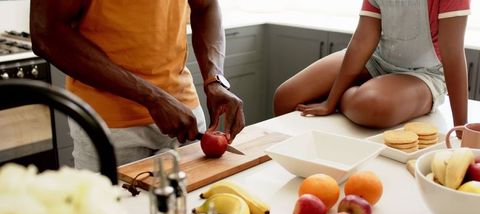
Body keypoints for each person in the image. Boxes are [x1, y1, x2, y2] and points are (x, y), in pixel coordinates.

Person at [30, 0, 245, 171]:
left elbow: (206, 7)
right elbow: (46, 32)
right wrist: (153, 97)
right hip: (111, 129)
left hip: (185, 118)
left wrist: (214, 79)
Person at [274, 0, 470, 130]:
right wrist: (329, 102)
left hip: (423, 74)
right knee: (286, 98)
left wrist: (462, 129)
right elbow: (362, 43)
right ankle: (357, 94)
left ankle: (360, 95)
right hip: (376, 60)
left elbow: (452, 54)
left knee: (371, 106)